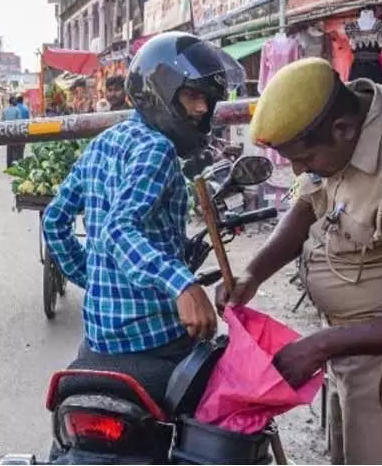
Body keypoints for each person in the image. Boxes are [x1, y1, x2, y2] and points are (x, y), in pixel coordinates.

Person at [228, 57, 382, 465]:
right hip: (346, 342)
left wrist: (320, 346)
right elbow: (308, 200)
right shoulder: (342, 125)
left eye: (303, 158)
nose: (298, 170)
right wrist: (254, 273)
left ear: (343, 130)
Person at [42, 32, 244, 400]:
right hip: (153, 340)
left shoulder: (103, 142)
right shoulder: (158, 148)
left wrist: (93, 276)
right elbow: (120, 228)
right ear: (160, 92)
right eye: (191, 95)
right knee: (227, 407)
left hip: (98, 341)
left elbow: (54, 219)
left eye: (206, 99)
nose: (201, 109)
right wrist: (183, 285)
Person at [1, 95, 23, 168]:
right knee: (15, 149)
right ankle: (14, 165)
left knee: (9, 148)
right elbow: (19, 122)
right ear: (13, 102)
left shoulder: (4, 110)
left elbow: (2, 122)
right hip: (15, 132)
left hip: (7, 132)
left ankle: (9, 165)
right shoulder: (17, 110)